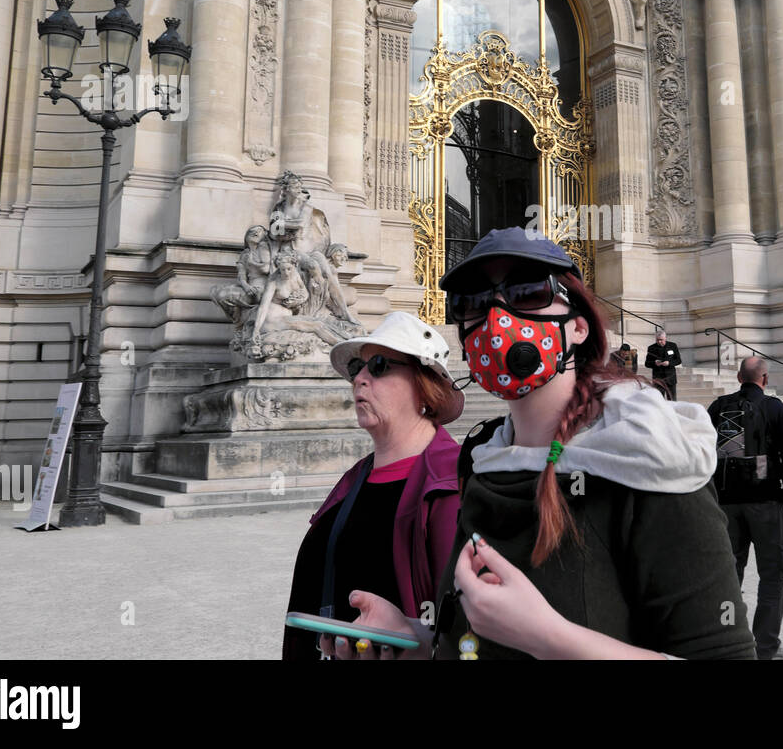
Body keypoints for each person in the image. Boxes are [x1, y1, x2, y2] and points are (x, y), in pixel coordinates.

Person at [333, 227, 755, 659]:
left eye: (528, 291)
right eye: (472, 302)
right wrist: (415, 639)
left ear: (577, 328)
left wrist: (549, 637)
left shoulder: (651, 459)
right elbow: (473, 643)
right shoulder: (481, 458)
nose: (496, 315)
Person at [282, 312, 464, 660]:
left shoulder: (454, 482)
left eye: (378, 365)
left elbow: (469, 634)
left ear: (425, 386)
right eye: (356, 369)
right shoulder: (354, 477)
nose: (359, 379)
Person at [706, 357, 783, 660]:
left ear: (738, 377)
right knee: (772, 574)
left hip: (725, 500)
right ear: (765, 378)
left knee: (729, 574)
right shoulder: (775, 408)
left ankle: (728, 642)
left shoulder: (718, 406)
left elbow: (702, 451)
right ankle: (765, 647)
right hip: (766, 499)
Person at [644, 329, 681, 400]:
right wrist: (655, 363)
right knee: (659, 400)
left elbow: (678, 360)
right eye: (657, 340)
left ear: (665, 338)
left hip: (670, 378)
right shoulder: (651, 348)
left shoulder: (672, 346)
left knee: (672, 400)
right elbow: (647, 363)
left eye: (661, 340)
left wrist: (669, 363)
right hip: (658, 379)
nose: (659, 341)